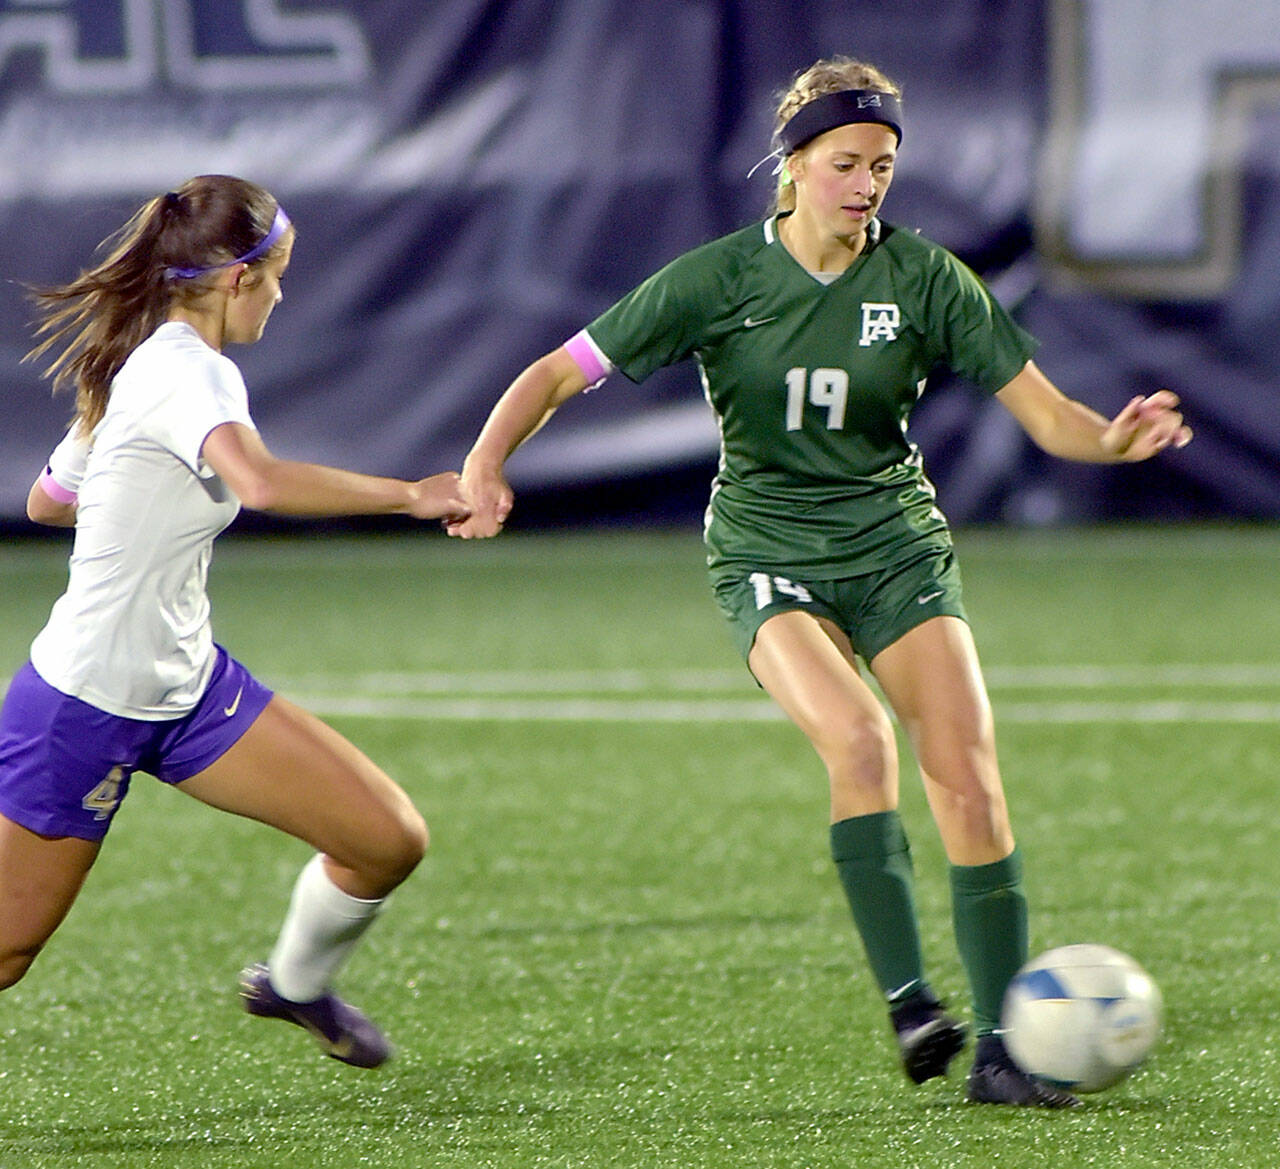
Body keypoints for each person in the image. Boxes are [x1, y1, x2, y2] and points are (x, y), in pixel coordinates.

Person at [448, 59, 1191, 1105]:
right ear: (789, 165)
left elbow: (1046, 412)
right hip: (766, 549)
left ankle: (998, 1048)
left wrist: (1110, 440)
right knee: (855, 738)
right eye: (843, 161)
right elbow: (555, 372)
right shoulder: (715, 279)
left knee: (969, 774)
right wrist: (485, 464)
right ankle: (905, 998)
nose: (864, 183)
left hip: (893, 544)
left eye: (881, 164)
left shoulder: (925, 277)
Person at [0, 174, 470, 1068]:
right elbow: (259, 482)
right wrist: (415, 494)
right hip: (85, 703)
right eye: (279, 275)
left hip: (186, 687)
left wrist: (111, 479)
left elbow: (44, 502)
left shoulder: (145, 365)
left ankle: (293, 984)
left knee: (384, 840)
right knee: (7, 954)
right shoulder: (185, 369)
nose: (283, 295)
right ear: (234, 279)